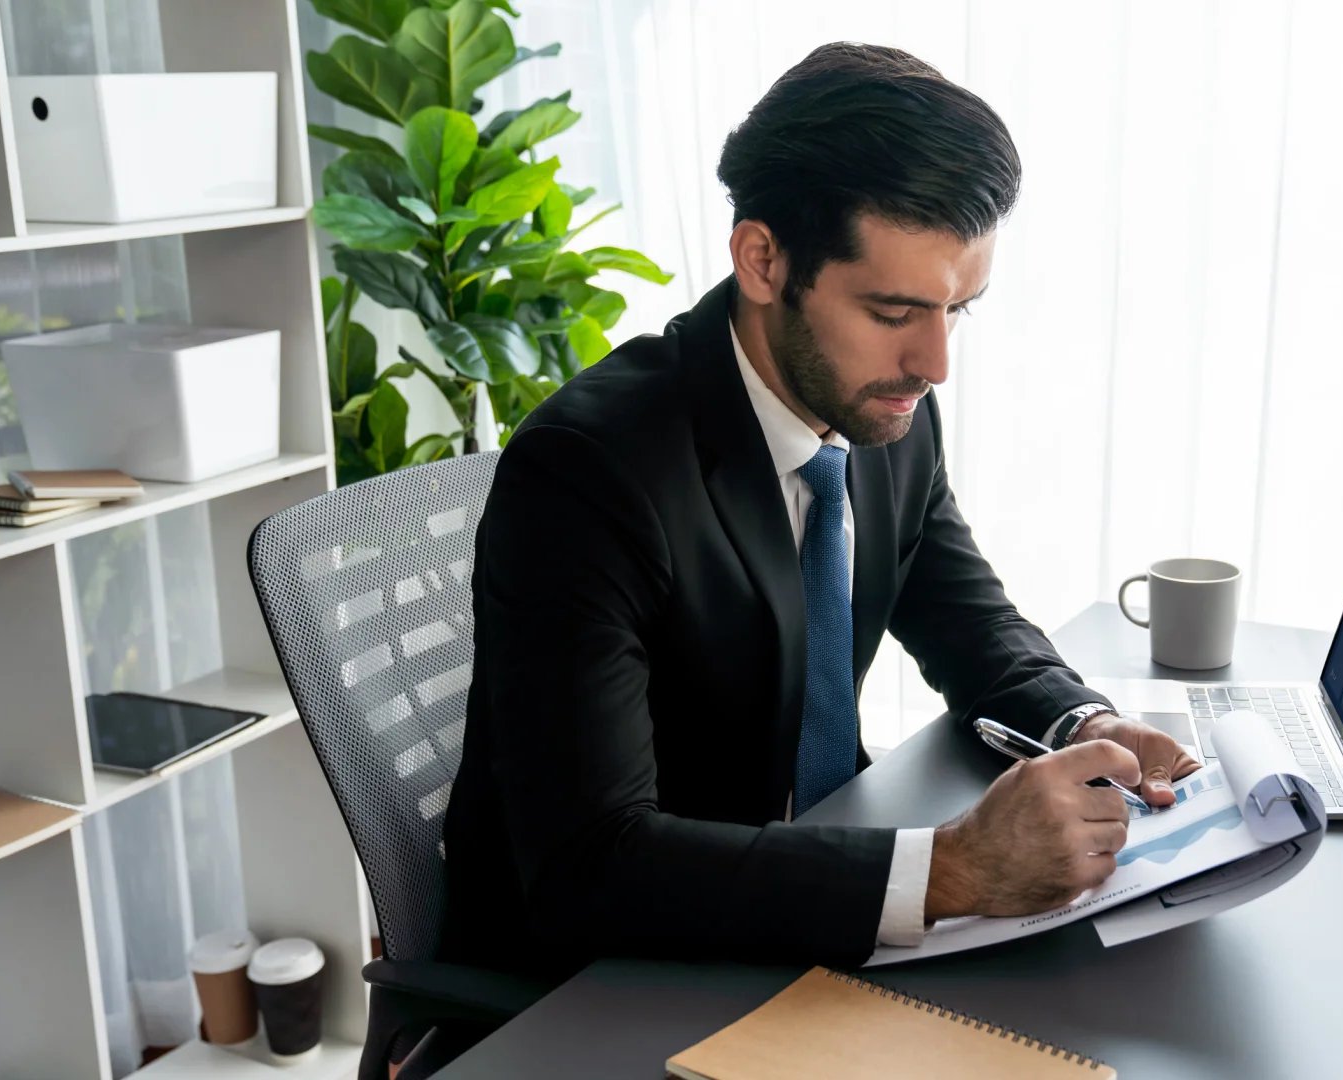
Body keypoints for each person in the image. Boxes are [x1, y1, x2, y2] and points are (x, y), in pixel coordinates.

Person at [441, 41, 1199, 980]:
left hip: (802, 911)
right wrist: (952, 869)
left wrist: (1082, 723)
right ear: (763, 260)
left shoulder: (881, 406)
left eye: (958, 310)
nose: (935, 363)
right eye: (893, 312)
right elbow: (590, 868)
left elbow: (965, 618)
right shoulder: (587, 474)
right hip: (605, 981)